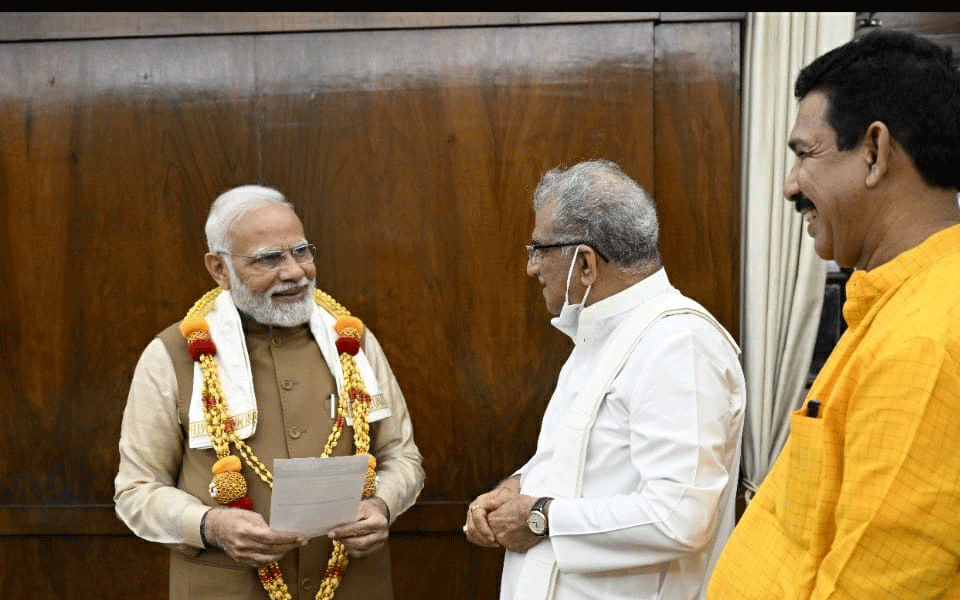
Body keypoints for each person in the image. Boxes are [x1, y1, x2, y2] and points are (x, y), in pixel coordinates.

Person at [709, 30, 960, 599]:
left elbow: (875, 585)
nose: (790, 186)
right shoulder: (895, 307)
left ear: (875, 151)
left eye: (805, 153)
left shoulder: (928, 337)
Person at [115, 184, 424, 600]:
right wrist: (209, 525)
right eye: (269, 258)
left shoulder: (352, 342)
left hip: (353, 585)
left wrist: (382, 506)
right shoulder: (171, 355)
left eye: (301, 251)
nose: (295, 271)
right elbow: (136, 492)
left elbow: (402, 457)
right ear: (219, 269)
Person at [464, 159, 746, 600]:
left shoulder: (678, 343)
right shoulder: (601, 333)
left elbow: (679, 515)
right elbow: (587, 463)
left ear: (586, 265)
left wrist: (540, 516)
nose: (531, 268)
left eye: (539, 249)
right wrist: (515, 488)